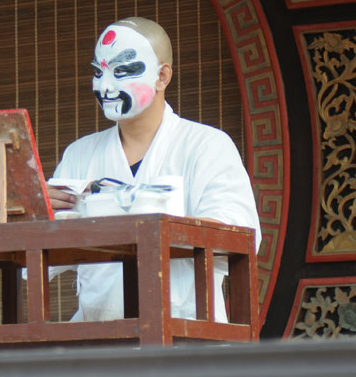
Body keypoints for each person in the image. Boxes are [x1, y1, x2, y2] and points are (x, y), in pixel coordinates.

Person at [48, 17, 261, 323]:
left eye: (122, 71)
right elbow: (44, 257)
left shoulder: (207, 146)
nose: (106, 86)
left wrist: (157, 220)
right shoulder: (80, 154)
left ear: (162, 76)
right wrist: (41, 214)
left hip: (187, 337)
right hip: (96, 342)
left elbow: (239, 235)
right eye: (99, 72)